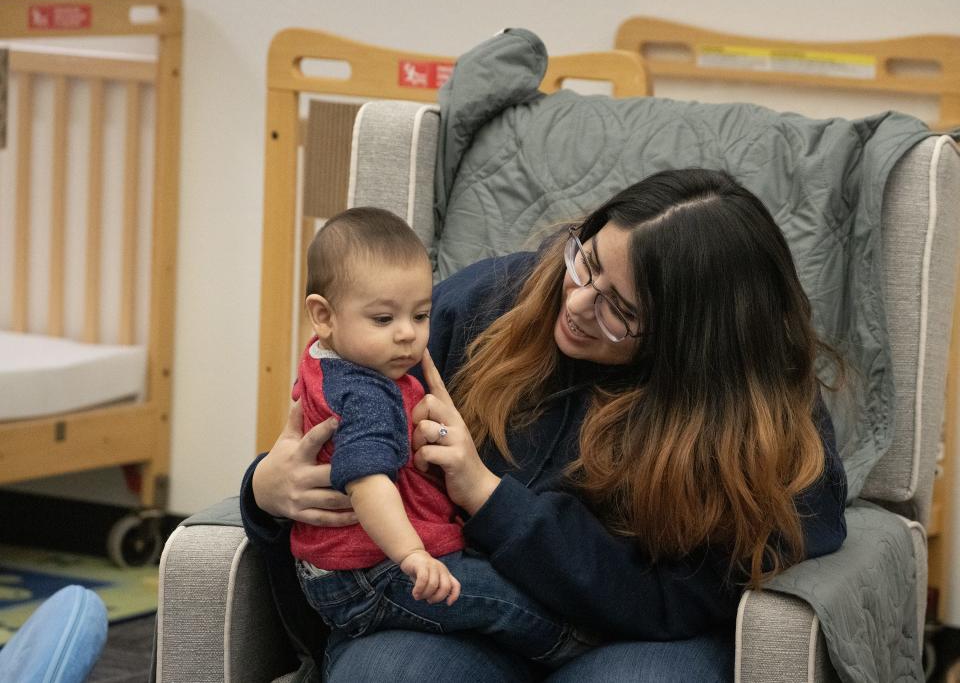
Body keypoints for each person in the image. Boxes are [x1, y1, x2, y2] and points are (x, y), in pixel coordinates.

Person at [241, 169, 848, 682]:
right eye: (585, 263)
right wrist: (266, 492)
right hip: (451, 605)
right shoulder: (487, 304)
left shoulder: (763, 428)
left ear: (696, 345)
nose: (579, 304)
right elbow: (339, 429)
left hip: (632, 632)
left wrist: (487, 496)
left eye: (621, 309)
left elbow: (681, 601)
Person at [285, 206, 592, 667]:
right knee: (501, 601)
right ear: (323, 315)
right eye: (384, 320)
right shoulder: (365, 393)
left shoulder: (328, 358)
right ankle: (573, 648)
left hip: (345, 567)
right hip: (376, 571)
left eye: (421, 314)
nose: (408, 335)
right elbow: (369, 484)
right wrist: (413, 555)